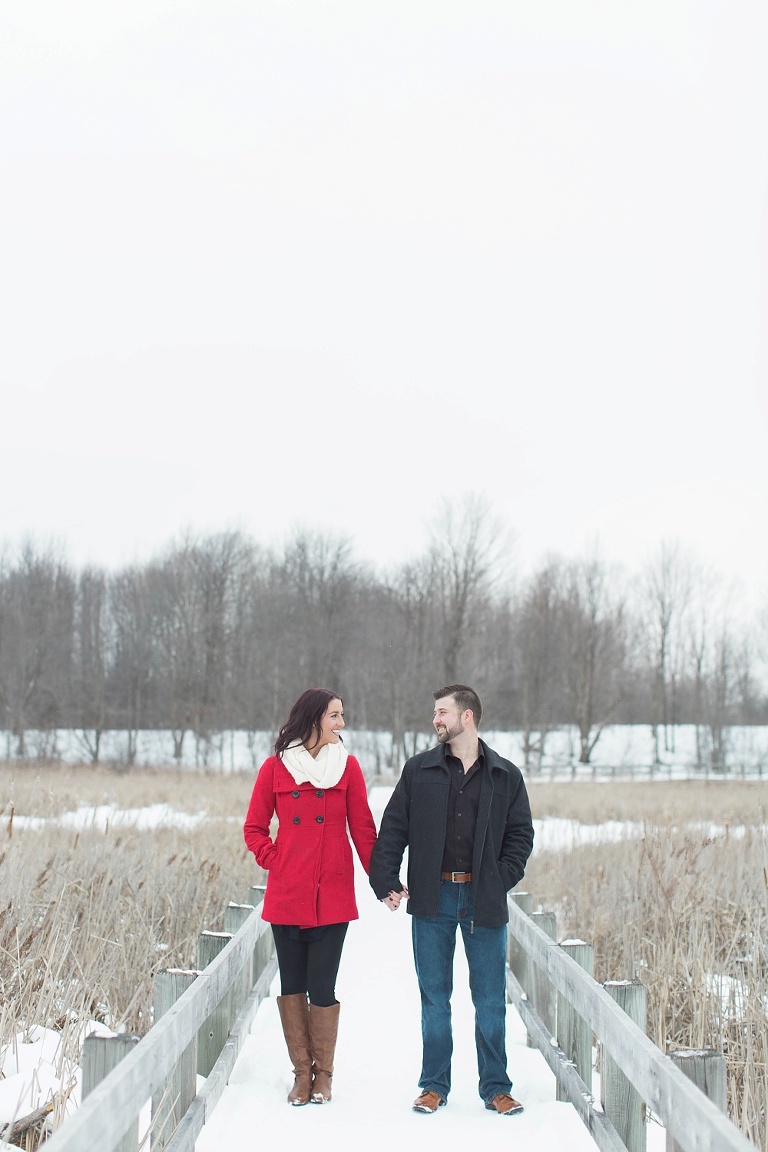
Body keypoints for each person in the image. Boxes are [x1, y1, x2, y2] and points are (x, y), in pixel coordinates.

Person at [369, 683, 534, 1117]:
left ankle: (496, 1088)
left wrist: (499, 880)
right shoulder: (419, 770)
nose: (435, 720)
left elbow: (520, 836)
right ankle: (433, 1085)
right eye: (435, 712)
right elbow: (393, 829)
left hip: (484, 900)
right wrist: (385, 879)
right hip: (433, 898)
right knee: (434, 998)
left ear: (467, 716)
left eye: (442, 712)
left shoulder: (505, 775)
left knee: (490, 1000)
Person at [244, 687, 377, 1106]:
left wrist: (383, 880)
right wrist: (276, 859)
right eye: (335, 715)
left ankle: (325, 1076)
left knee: (322, 987)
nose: (342, 723)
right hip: (288, 894)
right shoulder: (276, 768)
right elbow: (254, 828)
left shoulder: (347, 767)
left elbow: (363, 829)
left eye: (342, 715)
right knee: (292, 986)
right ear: (314, 717)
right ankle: (302, 1074)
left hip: (332, 893)